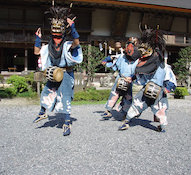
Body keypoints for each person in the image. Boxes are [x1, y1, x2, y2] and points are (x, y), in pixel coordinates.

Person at [33, 5, 83, 136]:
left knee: (65, 97)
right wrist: (38, 38)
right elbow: (36, 51)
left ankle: (67, 122)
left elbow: (76, 43)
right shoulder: (48, 45)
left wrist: (73, 27)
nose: (55, 30)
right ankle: (42, 112)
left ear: (63, 29)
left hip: (65, 74)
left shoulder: (67, 44)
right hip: (53, 73)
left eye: (58, 27)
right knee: (46, 91)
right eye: (53, 27)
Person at [119, 28, 176, 132]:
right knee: (137, 104)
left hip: (158, 91)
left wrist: (167, 89)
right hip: (147, 89)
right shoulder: (146, 64)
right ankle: (126, 122)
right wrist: (131, 78)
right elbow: (142, 73)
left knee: (160, 109)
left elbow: (170, 80)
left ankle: (162, 126)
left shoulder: (164, 67)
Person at [101, 37, 140, 120]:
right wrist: (105, 60)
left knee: (127, 97)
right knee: (115, 94)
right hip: (120, 78)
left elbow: (139, 71)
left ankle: (125, 113)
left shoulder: (138, 59)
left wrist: (132, 78)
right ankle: (108, 110)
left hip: (129, 79)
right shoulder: (122, 56)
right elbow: (112, 57)